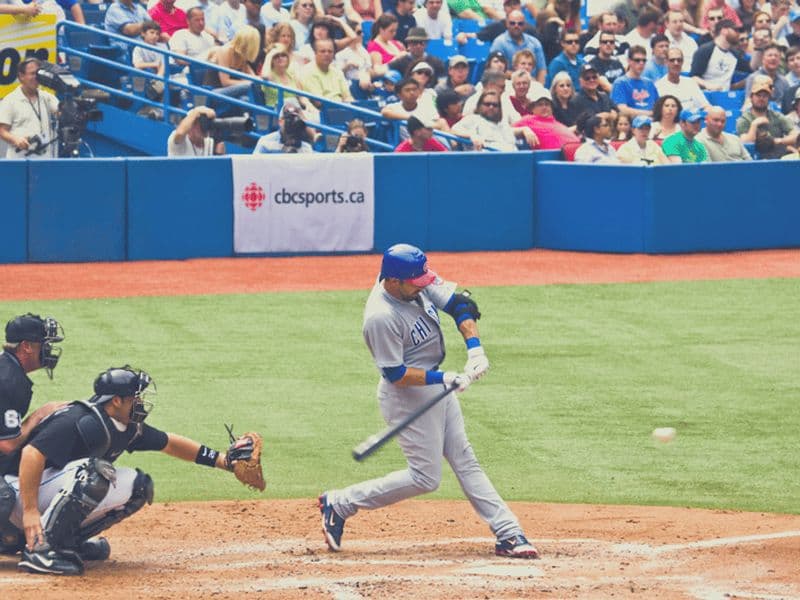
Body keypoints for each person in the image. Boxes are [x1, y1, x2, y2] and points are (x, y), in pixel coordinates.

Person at [318, 244, 539, 560]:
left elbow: (461, 305)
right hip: (407, 396)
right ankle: (340, 503)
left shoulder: (413, 280)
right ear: (392, 282)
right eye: (416, 283)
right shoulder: (381, 317)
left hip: (437, 386)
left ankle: (508, 533)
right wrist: (444, 378)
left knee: (465, 458)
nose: (424, 286)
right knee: (425, 478)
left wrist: (475, 348)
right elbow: (395, 373)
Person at [5, 366, 259, 575]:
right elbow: (31, 454)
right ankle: (40, 551)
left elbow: (170, 443)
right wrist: (29, 511)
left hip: (44, 491)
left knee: (137, 486)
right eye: (135, 397)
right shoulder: (78, 419)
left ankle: (65, 541)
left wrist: (226, 462)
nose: (141, 402)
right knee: (95, 473)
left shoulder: (125, 425)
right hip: (14, 494)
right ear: (117, 400)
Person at [0, 314, 65, 555]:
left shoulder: (7, 367)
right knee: (5, 496)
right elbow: (6, 444)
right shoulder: (9, 380)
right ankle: (10, 537)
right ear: (26, 346)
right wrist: (38, 416)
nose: (49, 350)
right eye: (44, 344)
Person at [0, 59, 59, 160]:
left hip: (44, 159)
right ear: (21, 76)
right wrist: (16, 140)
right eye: (32, 73)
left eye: (38, 73)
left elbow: (61, 113)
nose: (36, 77)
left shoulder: (46, 97)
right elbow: (2, 130)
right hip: (19, 160)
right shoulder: (10, 100)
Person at [453, 89, 535, 150]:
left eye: (495, 105)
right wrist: (472, 136)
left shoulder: (501, 124)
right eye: (487, 104)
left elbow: (510, 130)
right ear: (480, 105)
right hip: (486, 164)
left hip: (511, 161)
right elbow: (453, 130)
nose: (491, 107)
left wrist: (525, 129)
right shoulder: (473, 119)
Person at [736, 78, 797, 158]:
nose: (761, 98)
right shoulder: (744, 119)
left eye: (765, 96)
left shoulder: (776, 116)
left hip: (777, 155)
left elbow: (795, 135)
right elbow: (746, 142)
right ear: (751, 97)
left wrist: (778, 141)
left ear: (769, 98)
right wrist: (754, 124)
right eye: (758, 95)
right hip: (753, 158)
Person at [690, 18, 751, 90]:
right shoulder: (705, 50)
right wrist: (708, 85)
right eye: (735, 30)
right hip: (707, 94)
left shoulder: (735, 54)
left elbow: (750, 69)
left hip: (725, 95)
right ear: (724, 31)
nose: (738, 34)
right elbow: (693, 77)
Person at [489, 10, 547, 84]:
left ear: (525, 25)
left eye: (520, 23)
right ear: (507, 24)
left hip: (532, 85)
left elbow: (542, 70)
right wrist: (521, 77)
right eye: (512, 23)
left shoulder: (535, 43)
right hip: (507, 84)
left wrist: (539, 87)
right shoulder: (499, 42)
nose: (516, 26)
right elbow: (495, 70)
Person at [514, 88, 580, 149]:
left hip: (577, 149)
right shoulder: (528, 120)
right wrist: (524, 130)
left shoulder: (555, 122)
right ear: (532, 108)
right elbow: (507, 132)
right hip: (557, 157)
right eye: (540, 104)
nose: (544, 107)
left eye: (547, 104)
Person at [655, 47, 711, 113]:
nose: (676, 63)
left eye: (679, 60)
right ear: (666, 62)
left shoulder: (690, 82)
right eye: (672, 60)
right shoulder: (659, 86)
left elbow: (706, 106)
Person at [300, 38, 354, 104]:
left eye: (330, 51)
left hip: (342, 108)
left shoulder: (337, 72)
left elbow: (348, 97)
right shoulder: (307, 72)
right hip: (322, 111)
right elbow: (319, 102)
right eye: (322, 51)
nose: (327, 54)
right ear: (315, 53)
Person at [611, 45, 659, 117]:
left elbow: (658, 106)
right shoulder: (620, 83)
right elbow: (621, 109)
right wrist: (649, 114)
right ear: (629, 61)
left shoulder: (649, 83)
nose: (641, 63)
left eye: (644, 60)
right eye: (637, 60)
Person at [132, 21, 168, 101]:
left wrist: (159, 77)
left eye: (157, 34)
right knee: (137, 72)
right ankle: (139, 100)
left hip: (160, 76)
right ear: (143, 34)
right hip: (145, 76)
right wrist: (153, 64)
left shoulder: (162, 46)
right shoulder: (139, 48)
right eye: (152, 33)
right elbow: (137, 65)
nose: (155, 36)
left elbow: (162, 64)